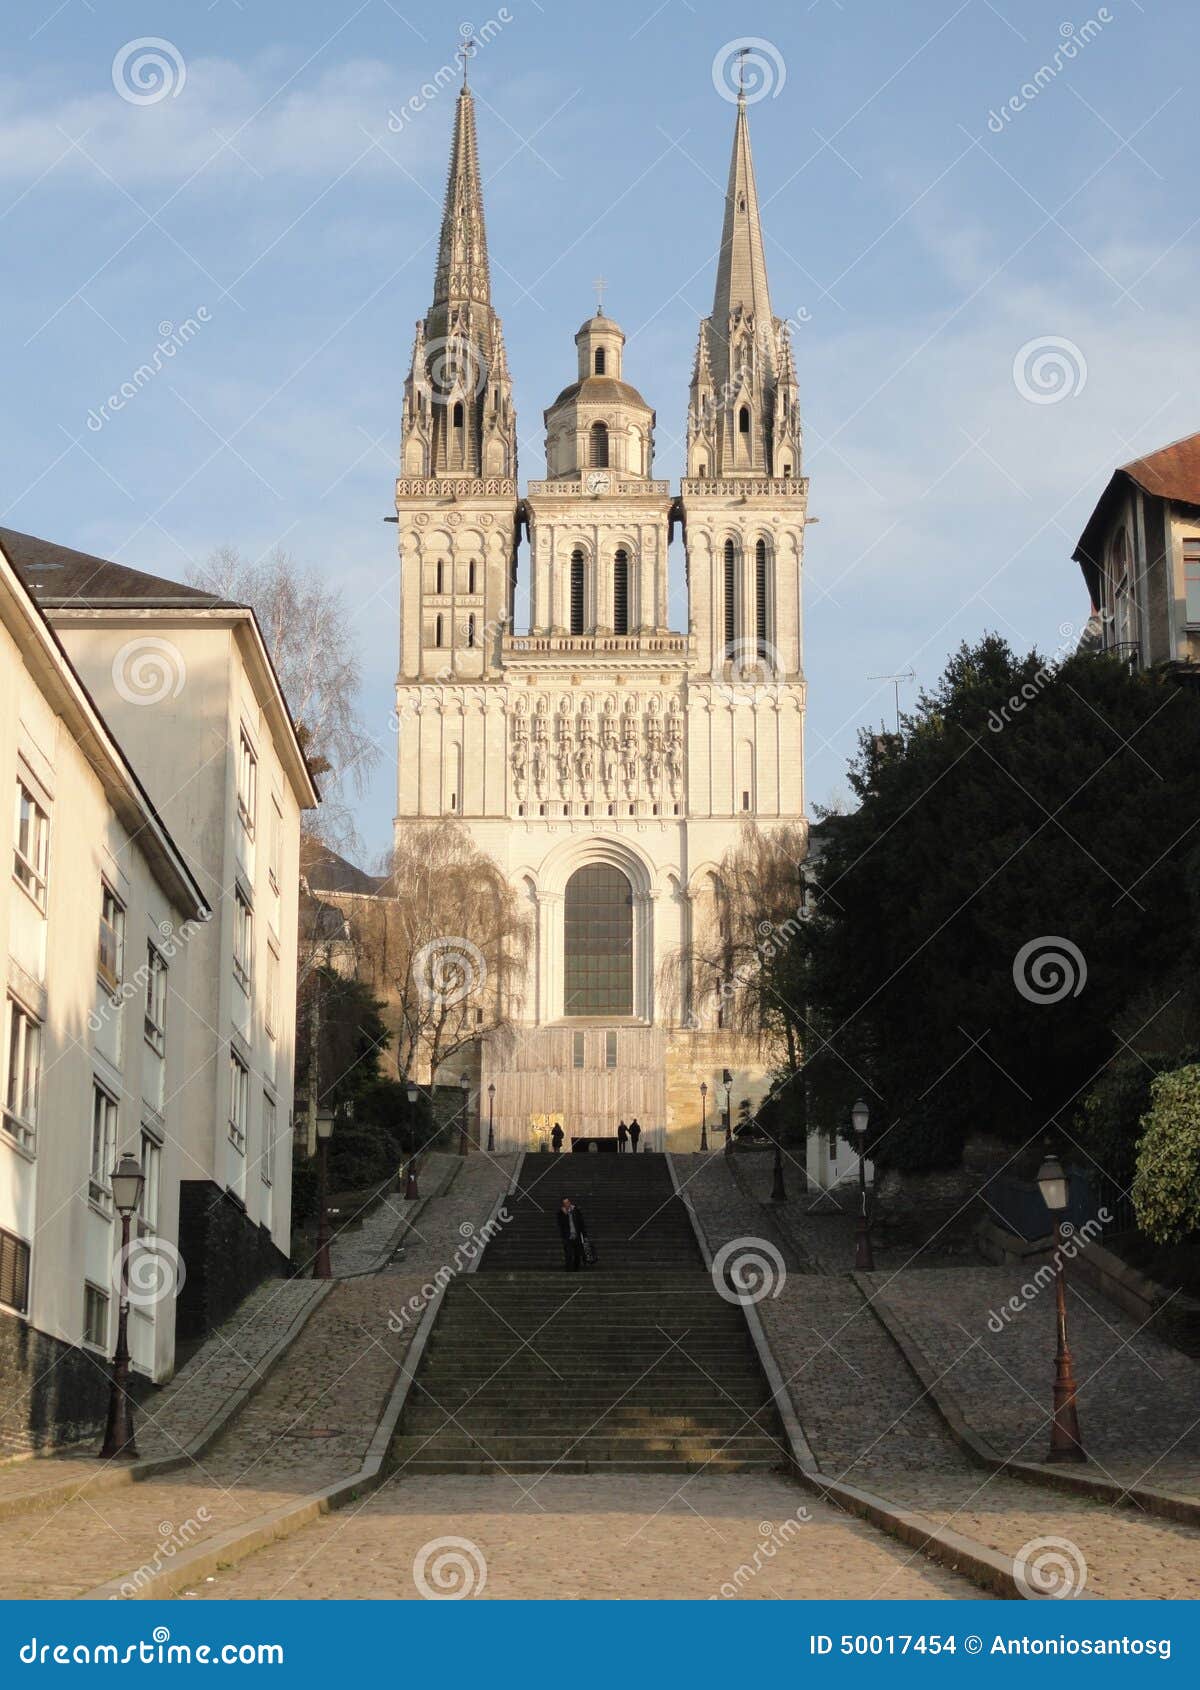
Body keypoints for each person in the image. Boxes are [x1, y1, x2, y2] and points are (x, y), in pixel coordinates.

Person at [556, 1196, 588, 1270]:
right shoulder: (561, 1213)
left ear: (570, 1202)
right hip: (568, 1236)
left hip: (577, 1235)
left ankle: (576, 1268)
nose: (567, 1204)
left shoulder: (576, 1210)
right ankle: (569, 1268)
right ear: (563, 1205)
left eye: (568, 1202)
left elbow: (581, 1223)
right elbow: (561, 1225)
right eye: (565, 1203)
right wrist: (565, 1214)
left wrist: (584, 1234)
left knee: (577, 1253)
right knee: (568, 1253)